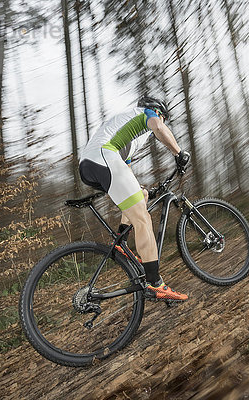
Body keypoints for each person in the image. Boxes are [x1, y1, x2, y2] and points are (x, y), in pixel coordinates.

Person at [78, 96, 190, 302]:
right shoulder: (146, 114)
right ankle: (155, 283)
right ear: (158, 112)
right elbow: (158, 127)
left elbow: (125, 171)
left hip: (90, 165)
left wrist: (142, 193)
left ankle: (121, 242)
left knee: (142, 196)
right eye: (163, 117)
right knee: (143, 219)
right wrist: (179, 153)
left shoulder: (126, 129)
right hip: (103, 157)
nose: (162, 121)